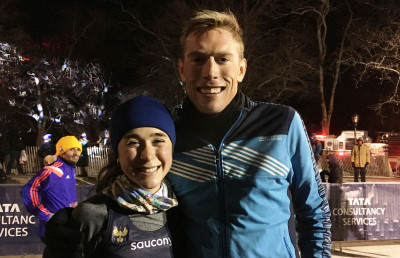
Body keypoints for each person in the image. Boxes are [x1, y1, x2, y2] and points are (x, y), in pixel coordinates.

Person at [165, 9, 331, 257]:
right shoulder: (167, 135)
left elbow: (315, 212)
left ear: (241, 69)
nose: (210, 72)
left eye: (223, 59)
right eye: (198, 59)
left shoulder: (282, 123)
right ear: (181, 69)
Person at [44, 96, 179, 257]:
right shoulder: (94, 214)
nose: (148, 156)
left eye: (158, 141)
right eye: (133, 142)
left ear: (172, 148)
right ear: (117, 154)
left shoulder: (183, 208)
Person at [21, 136, 82, 240]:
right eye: (71, 149)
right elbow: (28, 190)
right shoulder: (53, 170)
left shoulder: (70, 169)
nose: (76, 153)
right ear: (61, 152)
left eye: (78, 149)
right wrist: (45, 214)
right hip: (54, 228)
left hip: (66, 226)